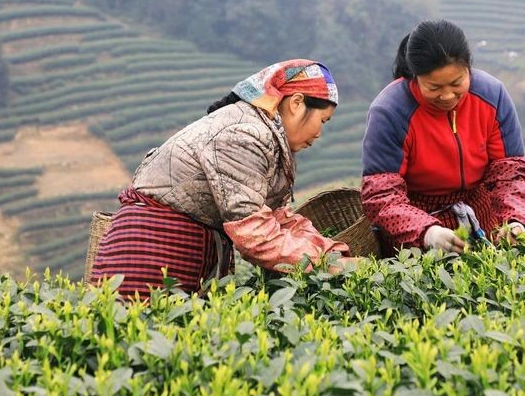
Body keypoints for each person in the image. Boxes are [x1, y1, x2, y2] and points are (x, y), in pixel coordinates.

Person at [92, 59, 352, 299]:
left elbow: (274, 216)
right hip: (151, 256)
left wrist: (331, 251)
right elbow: (255, 233)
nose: (319, 133)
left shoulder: (261, 134)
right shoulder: (244, 136)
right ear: (296, 103)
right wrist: (326, 264)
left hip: (179, 256)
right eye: (323, 120)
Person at [360, 20, 525, 256]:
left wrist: (515, 220)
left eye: (456, 83)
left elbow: (511, 172)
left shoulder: (491, 95)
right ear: (415, 76)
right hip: (415, 225)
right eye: (433, 87)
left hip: (480, 213)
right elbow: (382, 194)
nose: (447, 96)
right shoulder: (390, 111)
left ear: (468, 68)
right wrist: (427, 232)